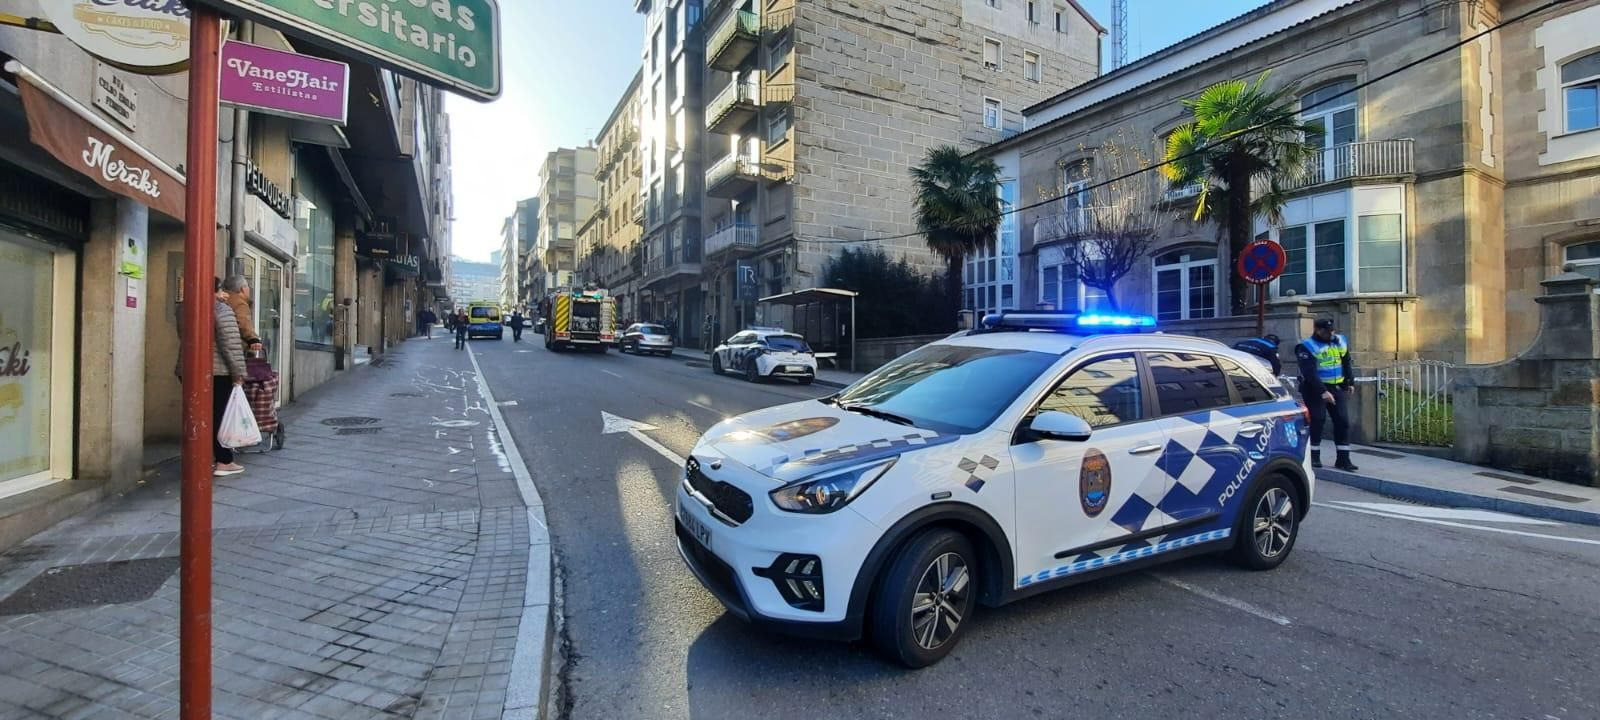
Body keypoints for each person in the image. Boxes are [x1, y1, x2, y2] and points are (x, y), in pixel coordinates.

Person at [1296, 318, 1358, 471]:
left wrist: (1350, 382)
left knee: (1342, 421)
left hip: (1336, 387)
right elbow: (1309, 373)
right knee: (1318, 420)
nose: (1331, 334)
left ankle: (1343, 459)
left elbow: (1346, 361)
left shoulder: (1339, 341)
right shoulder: (1306, 346)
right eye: (1327, 332)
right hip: (1314, 389)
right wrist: (1323, 391)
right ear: (1318, 330)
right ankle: (1313, 457)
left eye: (1332, 331)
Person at [220, 275, 263, 357]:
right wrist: (253, 339)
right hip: (235, 348)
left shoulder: (222, 299)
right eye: (248, 287)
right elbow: (244, 323)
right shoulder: (240, 303)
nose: (249, 290)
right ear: (243, 289)